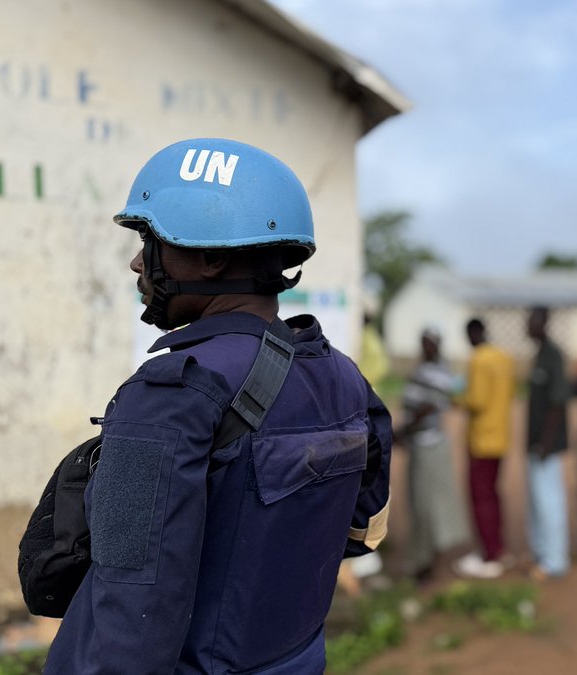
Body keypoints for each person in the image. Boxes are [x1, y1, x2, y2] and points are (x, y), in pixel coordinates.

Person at [45, 139, 391, 673]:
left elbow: (130, 610)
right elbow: (361, 528)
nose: (138, 260)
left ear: (210, 258)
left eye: (151, 237)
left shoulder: (171, 394)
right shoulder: (344, 377)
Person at [396, 326, 469, 583]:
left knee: (427, 505)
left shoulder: (439, 373)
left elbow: (427, 408)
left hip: (429, 446)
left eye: (430, 342)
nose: (425, 347)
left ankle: (427, 562)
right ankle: (422, 558)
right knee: (419, 503)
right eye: (423, 342)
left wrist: (403, 431)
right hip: (420, 444)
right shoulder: (424, 370)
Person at [453, 318, 516, 579]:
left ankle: (491, 554)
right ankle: (498, 548)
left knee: (481, 498)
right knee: (492, 495)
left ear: (473, 333)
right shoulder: (503, 358)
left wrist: (457, 396)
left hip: (481, 439)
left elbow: (476, 400)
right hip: (500, 435)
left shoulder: (479, 359)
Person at [525, 306, 571, 580]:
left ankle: (554, 560)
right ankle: (542, 553)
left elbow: (557, 404)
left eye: (531, 321)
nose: (527, 326)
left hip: (546, 446)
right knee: (537, 502)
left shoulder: (553, 356)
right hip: (535, 444)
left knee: (549, 501)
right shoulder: (539, 355)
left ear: (543, 323)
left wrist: (545, 442)